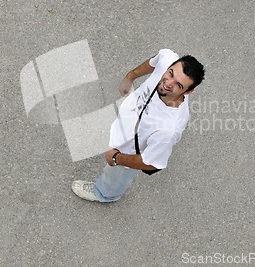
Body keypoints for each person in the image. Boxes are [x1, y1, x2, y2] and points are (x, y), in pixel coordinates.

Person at [71, 49, 205, 202]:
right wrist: (130, 77)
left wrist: (116, 158)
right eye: (170, 73)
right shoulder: (168, 59)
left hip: (130, 150)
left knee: (116, 176)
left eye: (178, 85)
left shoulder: (167, 129)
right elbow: (155, 61)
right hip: (127, 122)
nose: (168, 83)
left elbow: (149, 162)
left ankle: (104, 194)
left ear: (188, 91)